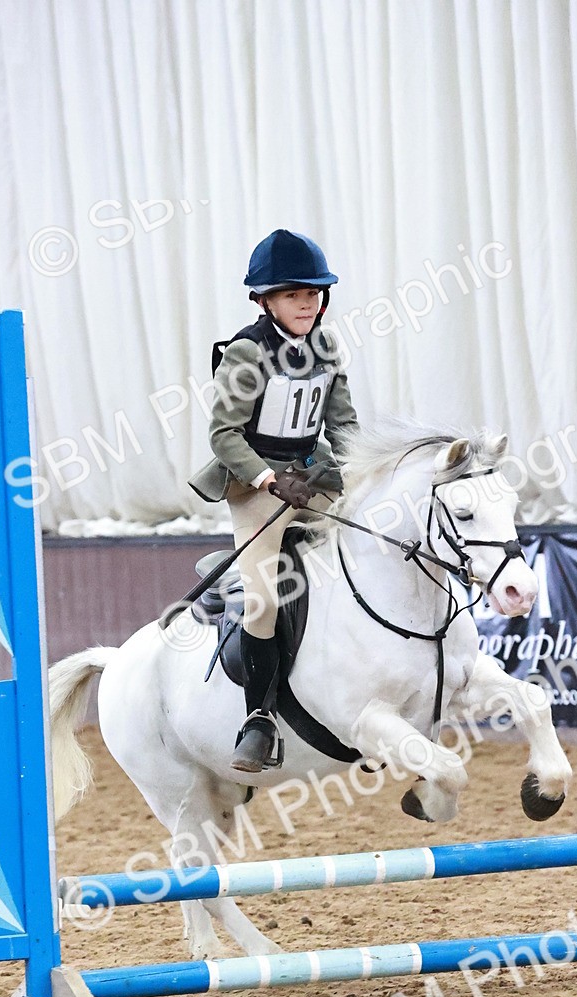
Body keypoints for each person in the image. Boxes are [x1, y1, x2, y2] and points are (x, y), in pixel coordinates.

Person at [189, 229, 360, 772]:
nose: (307, 303)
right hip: (256, 484)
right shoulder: (247, 351)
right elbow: (223, 435)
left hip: (312, 478)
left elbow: (345, 426)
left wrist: (362, 477)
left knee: (372, 551)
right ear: (264, 300)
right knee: (263, 600)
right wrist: (266, 479)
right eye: (293, 294)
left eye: (313, 293)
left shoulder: (328, 347)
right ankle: (258, 718)